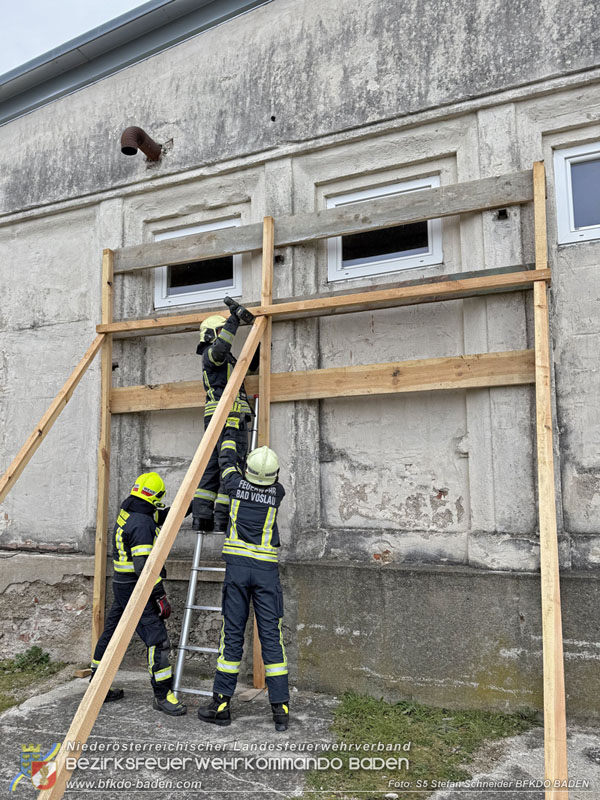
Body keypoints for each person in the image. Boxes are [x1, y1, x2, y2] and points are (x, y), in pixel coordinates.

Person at [197, 425, 289, 731]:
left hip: (237, 571)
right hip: (266, 573)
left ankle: (221, 704)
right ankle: (281, 709)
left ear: (247, 470)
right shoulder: (277, 493)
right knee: (271, 638)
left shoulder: (234, 485)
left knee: (232, 635)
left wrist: (230, 429)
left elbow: (226, 462)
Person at [90, 472, 187, 716]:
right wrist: (159, 595)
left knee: (111, 634)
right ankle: (162, 695)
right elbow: (144, 567)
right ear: (155, 497)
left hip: (122, 584)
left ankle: (96, 687)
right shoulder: (142, 523)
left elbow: (159, 516)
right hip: (136, 587)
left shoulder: (131, 509)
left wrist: (188, 506)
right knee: (158, 639)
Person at [192, 298, 258, 533]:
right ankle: (223, 517)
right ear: (211, 335)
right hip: (227, 418)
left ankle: (202, 517)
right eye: (220, 331)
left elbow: (247, 368)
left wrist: (258, 345)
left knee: (212, 467)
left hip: (221, 419)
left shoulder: (224, 361)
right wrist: (234, 319)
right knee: (231, 465)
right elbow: (221, 348)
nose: (224, 334)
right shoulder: (211, 354)